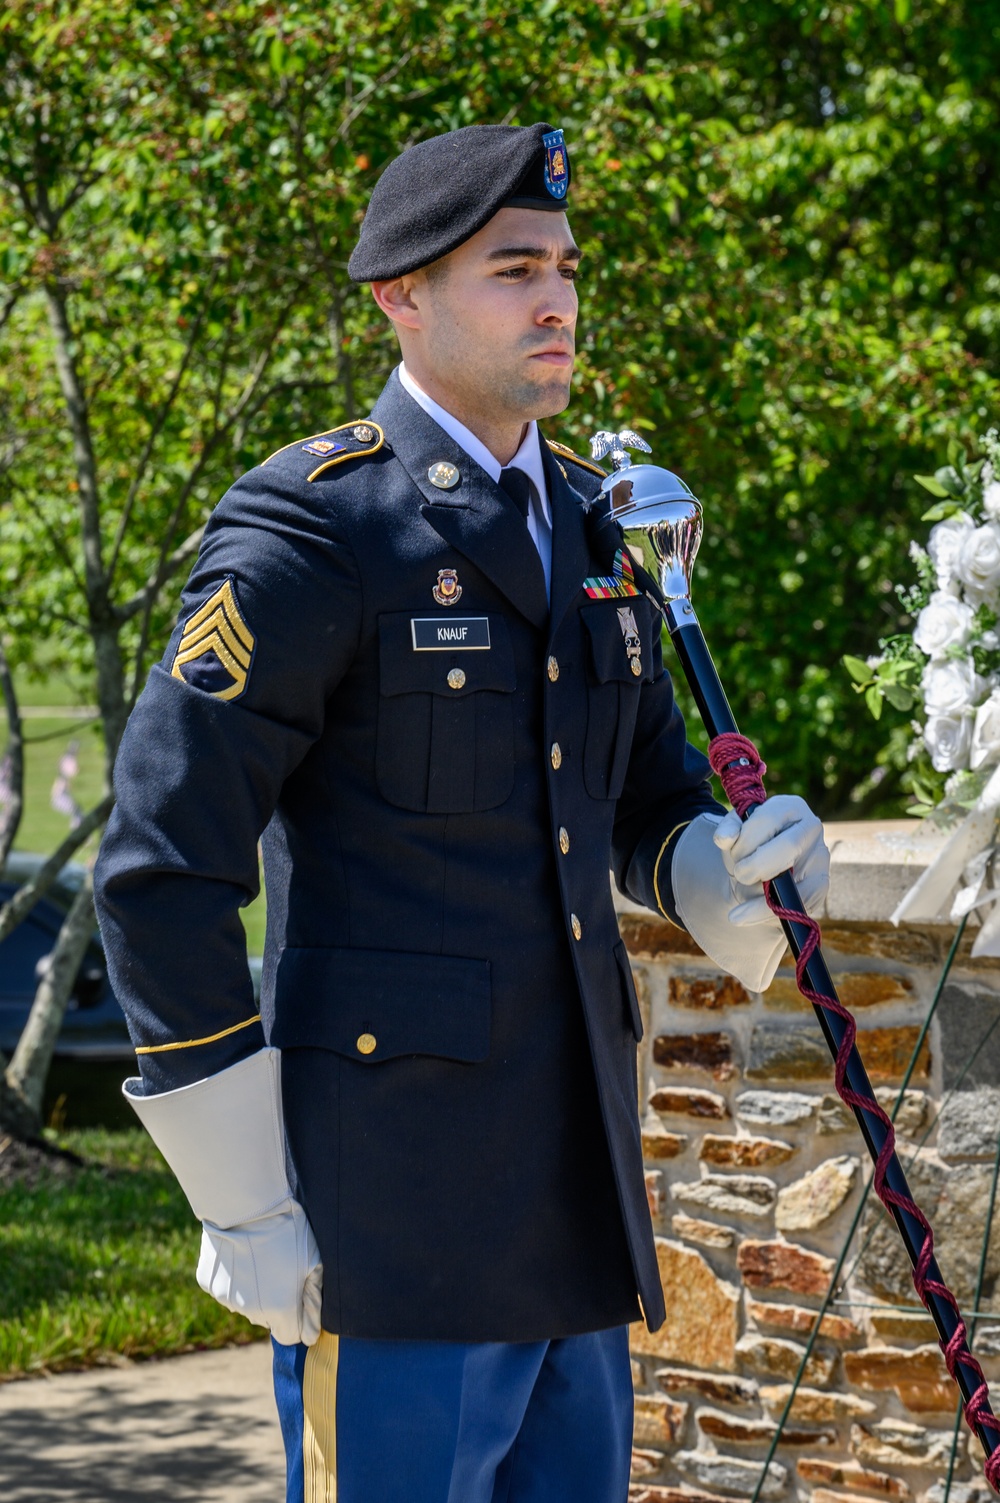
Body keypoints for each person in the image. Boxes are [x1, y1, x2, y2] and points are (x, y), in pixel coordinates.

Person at [94, 122, 830, 1503]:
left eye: (563, 265)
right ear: (401, 297)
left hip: (574, 1202)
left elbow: (643, 798)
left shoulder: (585, 522)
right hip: (386, 1221)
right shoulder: (319, 528)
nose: (554, 298)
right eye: (509, 269)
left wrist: (725, 870)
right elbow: (160, 865)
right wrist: (241, 1194)